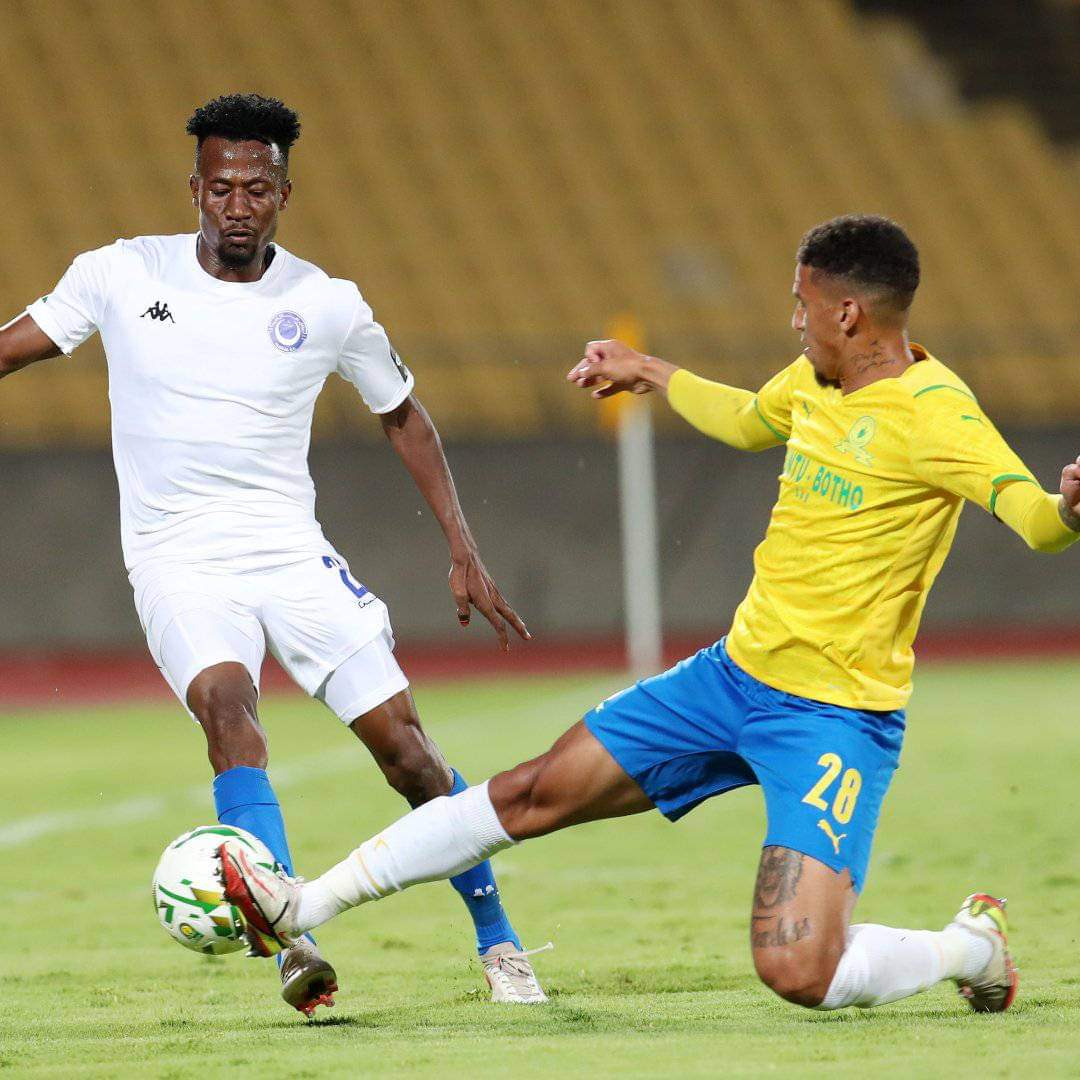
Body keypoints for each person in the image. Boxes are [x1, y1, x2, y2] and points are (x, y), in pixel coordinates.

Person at [221, 214, 1080, 1014]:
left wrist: (1070, 509)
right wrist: (652, 372)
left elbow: (1035, 521)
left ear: (848, 312)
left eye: (803, 303)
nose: (795, 319)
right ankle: (304, 904)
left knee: (798, 972)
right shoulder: (816, 381)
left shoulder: (937, 414)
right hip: (730, 678)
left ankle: (969, 947)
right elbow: (748, 420)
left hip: (835, 718)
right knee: (533, 791)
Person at [0, 93, 546, 1016]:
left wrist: (463, 546)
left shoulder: (327, 304)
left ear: (285, 194)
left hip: (290, 553)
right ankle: (296, 940)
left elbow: (403, 415)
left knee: (408, 756)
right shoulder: (121, 273)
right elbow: (12, 349)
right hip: (177, 558)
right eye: (221, 188)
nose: (237, 206)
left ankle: (499, 940)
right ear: (195, 189)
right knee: (229, 712)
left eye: (257, 189)